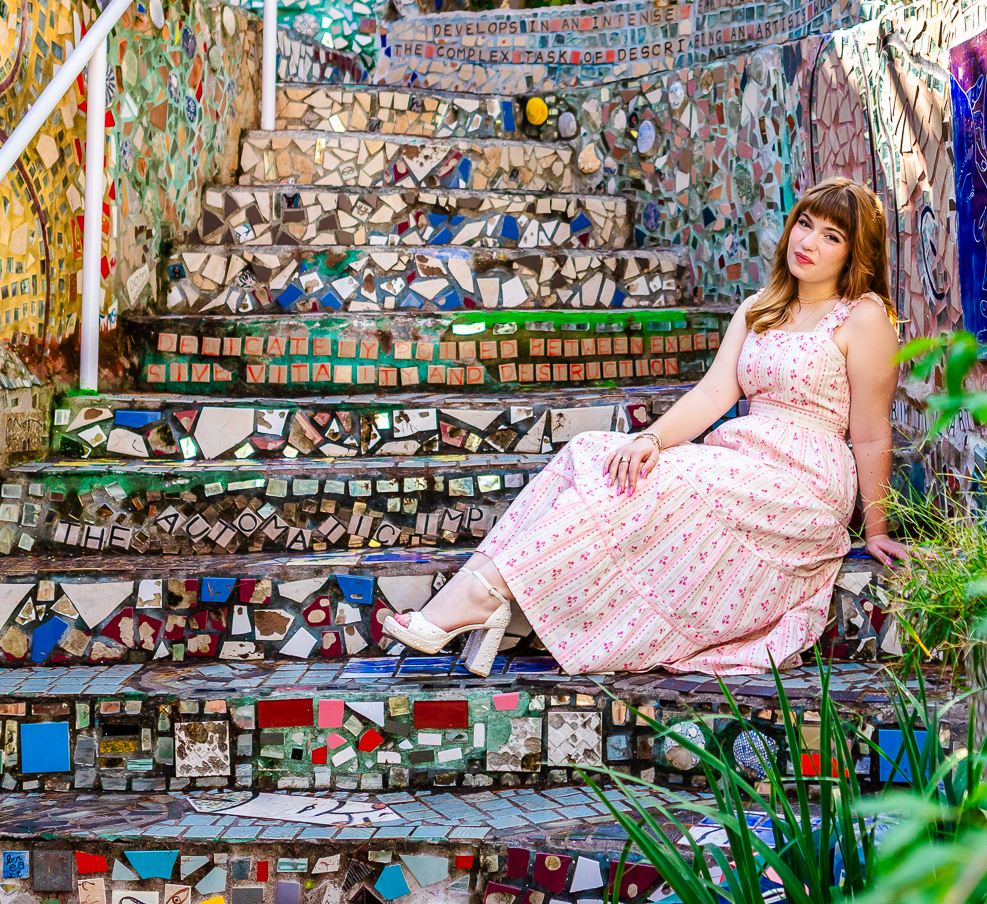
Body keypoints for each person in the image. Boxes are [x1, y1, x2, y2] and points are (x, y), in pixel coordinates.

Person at [385, 177, 909, 676]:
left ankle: (475, 601)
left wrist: (877, 527)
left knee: (662, 479)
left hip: (803, 484)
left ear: (854, 253)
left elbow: (870, 433)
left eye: (831, 235)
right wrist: (651, 438)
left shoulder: (863, 318)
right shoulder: (759, 309)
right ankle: (470, 593)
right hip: (741, 462)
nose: (808, 241)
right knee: (594, 453)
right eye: (805, 223)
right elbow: (713, 394)